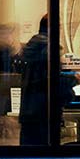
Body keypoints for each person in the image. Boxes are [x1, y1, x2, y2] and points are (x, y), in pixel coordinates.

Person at [15, 16, 55, 146]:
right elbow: (50, 79)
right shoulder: (49, 48)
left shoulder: (29, 47)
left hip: (28, 108)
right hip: (43, 108)